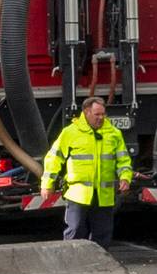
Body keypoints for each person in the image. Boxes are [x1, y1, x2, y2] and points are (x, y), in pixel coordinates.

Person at [42, 97, 131, 243]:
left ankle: (101, 264)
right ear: (86, 113)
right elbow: (54, 158)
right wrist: (47, 184)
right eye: (97, 115)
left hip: (104, 195)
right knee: (75, 230)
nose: (101, 118)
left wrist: (125, 177)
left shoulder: (114, 133)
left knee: (103, 233)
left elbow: (123, 160)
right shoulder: (70, 132)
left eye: (103, 114)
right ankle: (72, 263)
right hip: (78, 195)